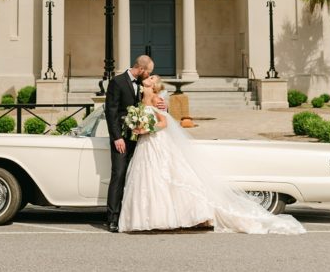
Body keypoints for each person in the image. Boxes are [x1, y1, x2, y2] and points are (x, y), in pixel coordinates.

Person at [118, 76, 305, 235]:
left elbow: (164, 123)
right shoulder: (140, 99)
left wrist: (147, 129)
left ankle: (183, 215)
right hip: (146, 145)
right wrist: (138, 127)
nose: (148, 78)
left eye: (151, 78)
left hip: (155, 141)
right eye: (148, 77)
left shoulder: (156, 99)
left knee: (166, 176)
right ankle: (149, 217)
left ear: (154, 85)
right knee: (149, 180)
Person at [103, 55, 166, 232]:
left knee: (137, 178)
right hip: (122, 138)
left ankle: (130, 215)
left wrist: (161, 105)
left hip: (141, 140)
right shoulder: (117, 82)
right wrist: (117, 137)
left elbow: (151, 106)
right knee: (119, 174)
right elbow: (111, 112)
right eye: (148, 72)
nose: (148, 76)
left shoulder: (143, 84)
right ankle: (112, 218)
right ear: (141, 69)